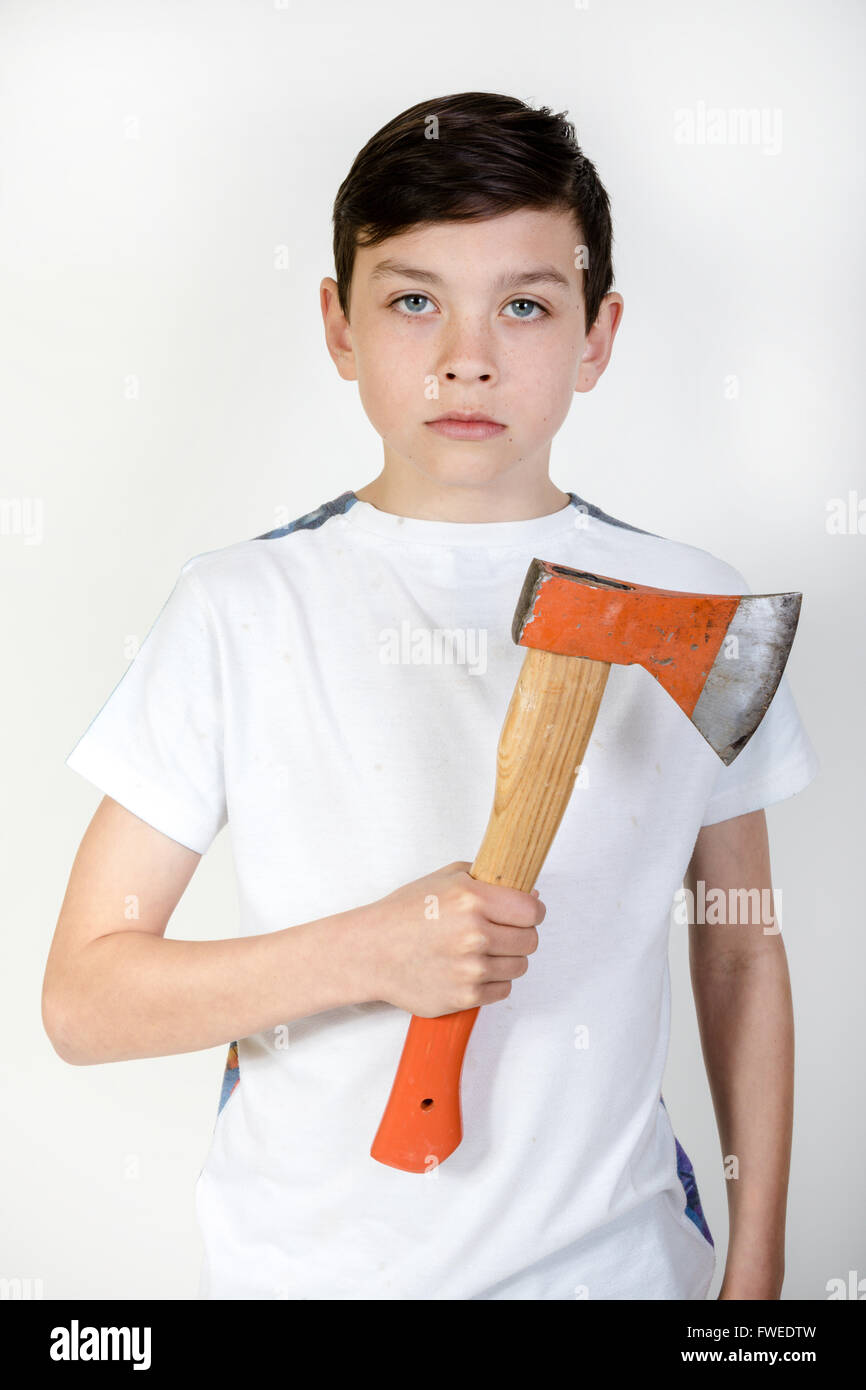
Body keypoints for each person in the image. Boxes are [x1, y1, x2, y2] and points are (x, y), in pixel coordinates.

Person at [44, 90, 819, 1300]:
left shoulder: (694, 601)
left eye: (525, 305)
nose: (468, 355)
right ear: (338, 327)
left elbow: (738, 954)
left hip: (614, 1274)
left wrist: (755, 1283)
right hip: (305, 1278)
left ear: (597, 335)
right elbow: (86, 1001)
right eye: (414, 300)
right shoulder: (241, 606)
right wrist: (369, 951)